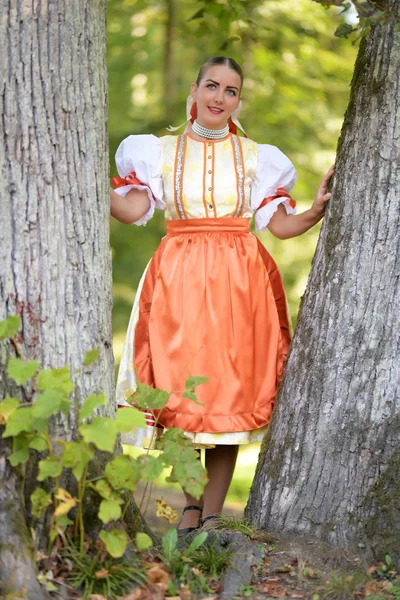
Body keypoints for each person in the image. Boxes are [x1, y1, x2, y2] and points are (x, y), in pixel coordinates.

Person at [110, 56, 334, 535]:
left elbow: (280, 225)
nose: (219, 98)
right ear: (194, 90)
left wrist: (314, 210)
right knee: (185, 395)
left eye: (230, 91)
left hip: (240, 284)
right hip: (179, 282)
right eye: (211, 86)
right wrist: (86, 176)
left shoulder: (258, 159)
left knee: (230, 393)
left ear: (238, 101)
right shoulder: (158, 153)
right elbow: (131, 210)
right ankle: (190, 512)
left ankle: (211, 519)